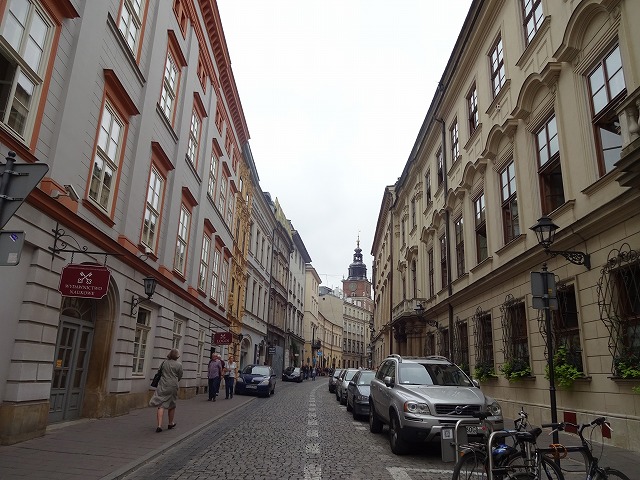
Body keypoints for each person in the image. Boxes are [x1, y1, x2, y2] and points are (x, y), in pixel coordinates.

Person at [149, 348, 183, 433]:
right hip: (173, 386)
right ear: (177, 356)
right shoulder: (179, 365)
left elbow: (159, 371)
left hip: (163, 384)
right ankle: (170, 423)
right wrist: (175, 380)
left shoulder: (164, 363)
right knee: (172, 405)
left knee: (161, 405)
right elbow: (180, 375)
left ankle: (159, 425)